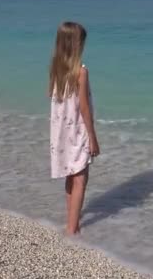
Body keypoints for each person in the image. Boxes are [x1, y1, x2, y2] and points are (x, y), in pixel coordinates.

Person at [49, 21, 100, 235]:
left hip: (60, 130)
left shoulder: (56, 69)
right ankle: (72, 228)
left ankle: (71, 222)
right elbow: (84, 108)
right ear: (76, 45)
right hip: (77, 129)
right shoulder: (81, 72)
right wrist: (93, 137)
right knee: (80, 177)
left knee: (71, 175)